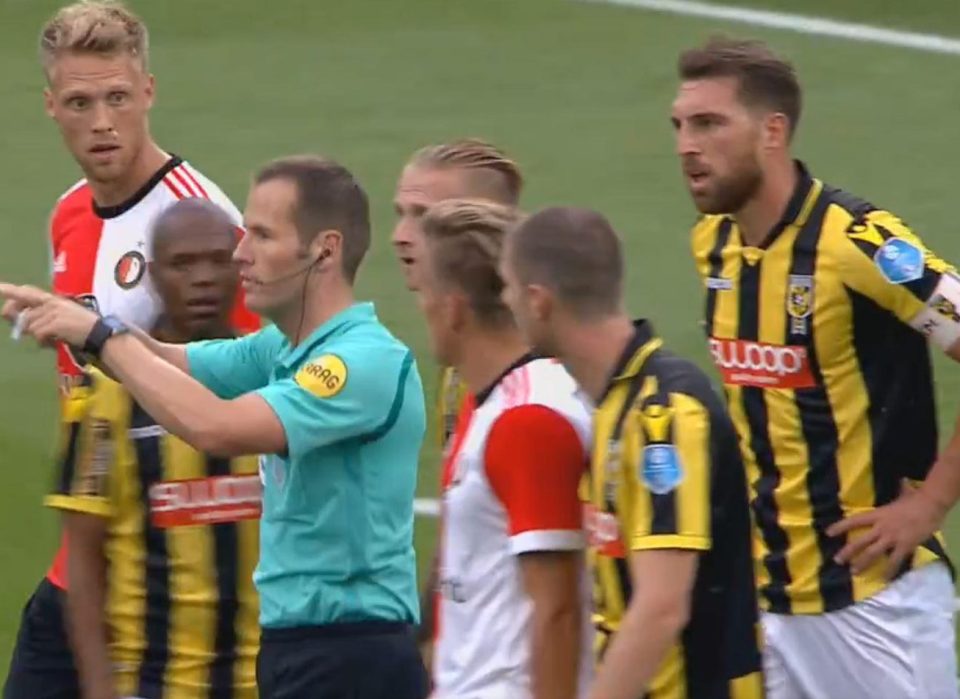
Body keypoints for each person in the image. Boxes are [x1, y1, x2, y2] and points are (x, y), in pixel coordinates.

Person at [1, 154, 428, 699]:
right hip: (300, 652)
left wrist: (101, 338)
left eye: (262, 236)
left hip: (350, 657)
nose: (240, 254)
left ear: (324, 249)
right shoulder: (284, 347)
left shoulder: (356, 363)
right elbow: (164, 358)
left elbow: (218, 427)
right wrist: (79, 322)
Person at [673, 36, 960, 697]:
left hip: (876, 603)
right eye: (681, 125)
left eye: (710, 123)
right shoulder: (713, 244)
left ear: (773, 131)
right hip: (768, 604)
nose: (688, 144)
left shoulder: (859, 242)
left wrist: (933, 502)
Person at [5, 3, 259, 697]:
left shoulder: (198, 221)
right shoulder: (67, 212)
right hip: (82, 561)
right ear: (52, 106)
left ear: (147, 91)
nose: (102, 122)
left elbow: (254, 377)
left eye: (118, 97)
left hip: (159, 586)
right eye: (81, 103)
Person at [501, 206, 763, 699]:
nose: (504, 302)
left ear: (538, 301)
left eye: (508, 287)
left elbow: (662, 606)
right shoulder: (615, 402)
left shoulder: (661, 413)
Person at [46, 199, 261, 699]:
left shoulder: (278, 375)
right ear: (153, 274)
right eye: (184, 264)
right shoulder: (106, 395)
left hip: (272, 680)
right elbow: (82, 558)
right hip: (153, 685)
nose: (203, 278)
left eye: (216, 259)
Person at [416, 199, 593, 699]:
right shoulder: (489, 401)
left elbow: (557, 610)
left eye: (424, 292)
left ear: (452, 308)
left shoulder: (527, 420)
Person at [391, 138, 525, 658]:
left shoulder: (544, 382)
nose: (402, 237)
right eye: (401, 213)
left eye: (425, 218)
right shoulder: (461, 368)